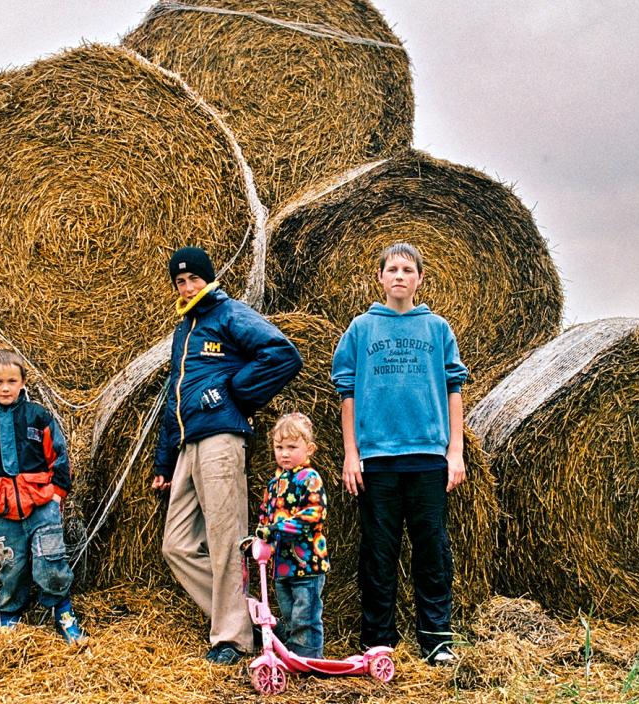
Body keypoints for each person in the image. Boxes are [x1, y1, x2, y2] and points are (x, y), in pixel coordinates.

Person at [151, 246, 302, 665]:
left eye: (193, 278)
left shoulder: (228, 312)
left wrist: (233, 393)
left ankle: (233, 640)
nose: (187, 286)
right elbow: (173, 397)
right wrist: (163, 463)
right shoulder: (185, 328)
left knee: (225, 540)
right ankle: (245, 617)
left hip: (220, 437)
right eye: (179, 282)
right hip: (187, 444)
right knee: (176, 545)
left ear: (208, 278)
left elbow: (282, 354)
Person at [330, 242, 470, 665]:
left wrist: (455, 452)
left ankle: (437, 640)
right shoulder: (361, 329)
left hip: (428, 456)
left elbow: (454, 390)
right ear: (380, 277)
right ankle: (378, 640)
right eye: (392, 269)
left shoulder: (437, 329)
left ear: (419, 279)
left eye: (408, 270)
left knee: (431, 551)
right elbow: (347, 393)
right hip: (377, 460)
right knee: (378, 551)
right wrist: (351, 454)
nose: (399, 276)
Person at [0, 349, 86, 643]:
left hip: (42, 506)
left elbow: (59, 456)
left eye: (12, 381)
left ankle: (62, 612)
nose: (5, 387)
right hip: (1, 512)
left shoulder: (38, 416)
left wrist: (56, 496)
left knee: (50, 560)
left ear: (23, 382)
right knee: (11, 566)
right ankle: (9, 613)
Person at [255, 412, 330, 659]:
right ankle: (291, 655)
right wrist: (259, 536)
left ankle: (308, 657)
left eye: (291, 447)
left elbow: (313, 515)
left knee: (304, 615)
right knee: (288, 614)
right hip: (282, 566)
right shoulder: (274, 484)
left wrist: (275, 530)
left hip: (307, 564)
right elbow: (265, 516)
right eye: (279, 447)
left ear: (309, 449)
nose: (284, 453)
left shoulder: (309, 478)